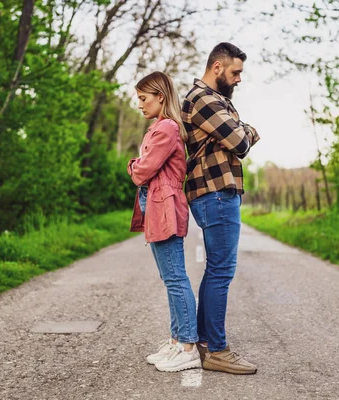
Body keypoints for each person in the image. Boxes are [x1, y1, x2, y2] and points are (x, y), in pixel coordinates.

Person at [181, 42, 260, 374]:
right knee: (221, 271)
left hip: (215, 193)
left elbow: (236, 137)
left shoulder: (216, 102)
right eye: (235, 72)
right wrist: (246, 130)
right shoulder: (203, 99)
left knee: (216, 269)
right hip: (215, 192)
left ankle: (204, 342)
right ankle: (217, 350)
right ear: (217, 67)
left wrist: (236, 131)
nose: (239, 78)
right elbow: (242, 142)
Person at [127, 71, 201, 372]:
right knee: (169, 278)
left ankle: (187, 346)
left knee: (175, 277)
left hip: (165, 205)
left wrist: (133, 165)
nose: (141, 105)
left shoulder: (167, 128)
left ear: (161, 96)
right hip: (158, 204)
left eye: (144, 99)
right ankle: (176, 341)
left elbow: (142, 172)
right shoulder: (159, 128)